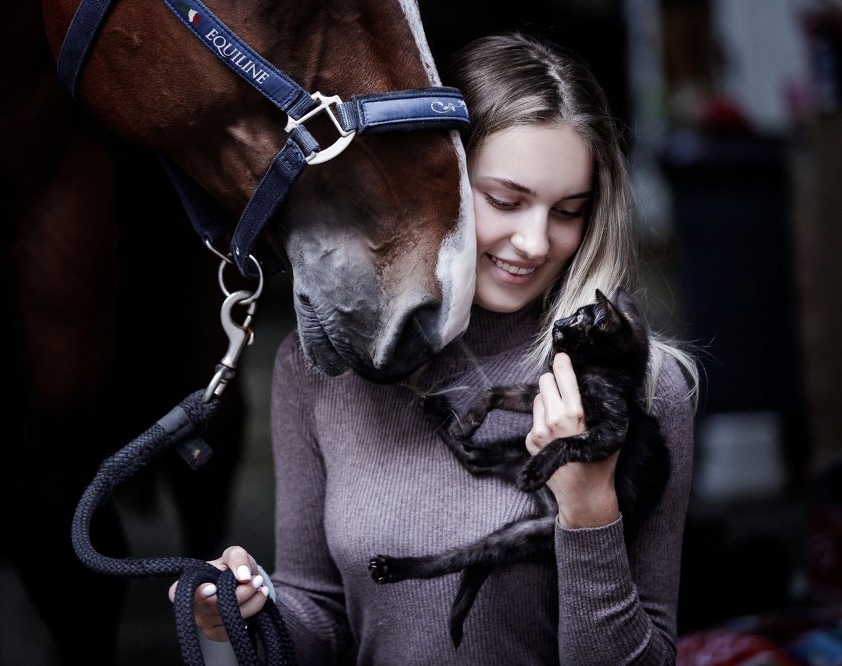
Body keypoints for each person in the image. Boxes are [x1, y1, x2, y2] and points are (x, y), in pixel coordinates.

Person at [169, 31, 699, 664]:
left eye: (569, 211)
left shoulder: (644, 387)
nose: (534, 242)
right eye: (506, 200)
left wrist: (589, 513)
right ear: (433, 181)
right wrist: (247, 610)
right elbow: (322, 617)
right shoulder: (321, 371)